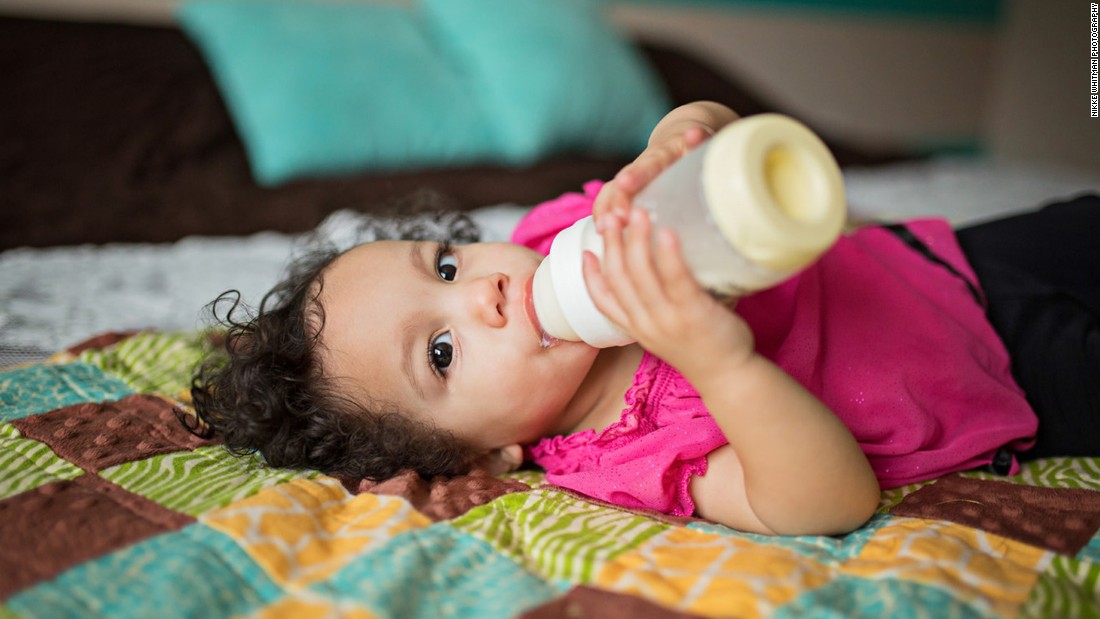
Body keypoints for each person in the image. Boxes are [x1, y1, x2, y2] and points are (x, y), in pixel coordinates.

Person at [190, 101, 1099, 537]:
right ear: (484, 455)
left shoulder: (559, 234)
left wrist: (678, 140)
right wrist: (722, 361)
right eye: (441, 349)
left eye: (447, 265)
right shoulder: (621, 456)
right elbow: (827, 499)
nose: (485, 293)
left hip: (945, 258)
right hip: (1006, 369)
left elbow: (711, 137)